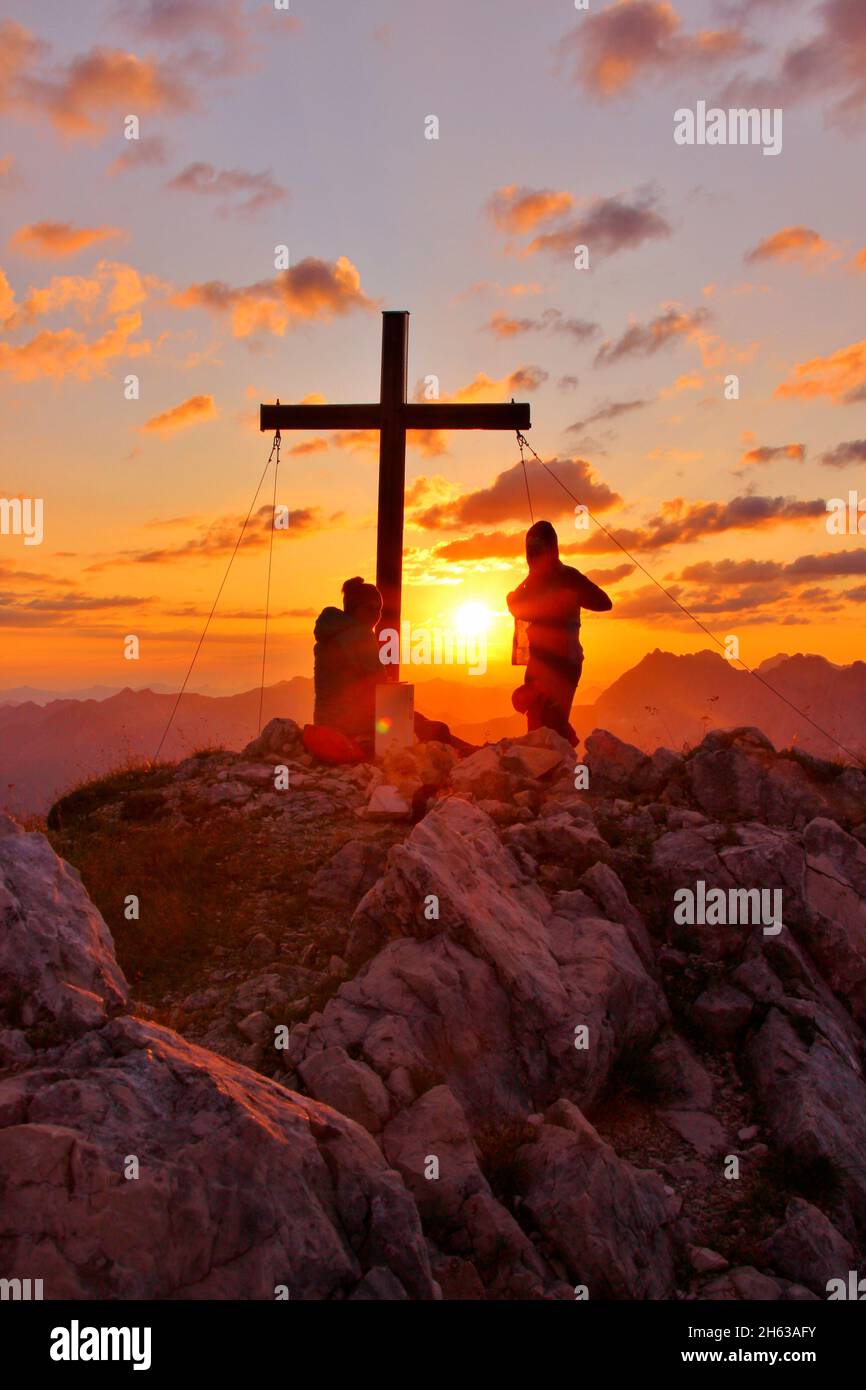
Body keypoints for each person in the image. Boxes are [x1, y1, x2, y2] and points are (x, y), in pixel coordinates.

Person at [507, 519, 612, 746]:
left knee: (547, 727)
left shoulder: (565, 578)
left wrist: (572, 593)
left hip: (561, 665)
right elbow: (515, 607)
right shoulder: (541, 582)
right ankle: (555, 769)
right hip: (546, 664)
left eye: (537, 550)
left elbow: (604, 602)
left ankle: (559, 769)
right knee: (540, 725)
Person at [313, 576, 382, 753]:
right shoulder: (361, 635)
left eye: (379, 609)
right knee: (437, 730)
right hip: (353, 729)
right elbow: (381, 685)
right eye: (370, 608)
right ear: (353, 609)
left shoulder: (330, 634)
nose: (376, 614)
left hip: (324, 726)